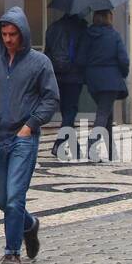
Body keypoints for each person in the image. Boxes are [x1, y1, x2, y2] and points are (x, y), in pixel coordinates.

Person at [0, 7, 59, 264]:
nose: (8, 39)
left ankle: (11, 252)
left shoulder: (40, 63)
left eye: (13, 34)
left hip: (23, 138)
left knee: (15, 197)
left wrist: (30, 126)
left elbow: (51, 98)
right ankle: (29, 225)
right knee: (3, 200)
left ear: (23, 33)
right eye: (4, 34)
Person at [73, 8, 129, 161]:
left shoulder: (87, 35)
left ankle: (112, 152)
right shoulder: (114, 35)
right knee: (103, 114)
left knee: (107, 115)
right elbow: (124, 60)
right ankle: (92, 143)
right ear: (109, 17)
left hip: (93, 81)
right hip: (111, 81)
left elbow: (80, 59)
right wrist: (122, 74)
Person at [44, 12, 88, 160]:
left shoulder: (53, 28)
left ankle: (74, 148)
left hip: (56, 75)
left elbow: (47, 52)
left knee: (66, 112)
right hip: (74, 76)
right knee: (70, 112)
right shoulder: (81, 28)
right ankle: (59, 143)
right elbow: (83, 55)